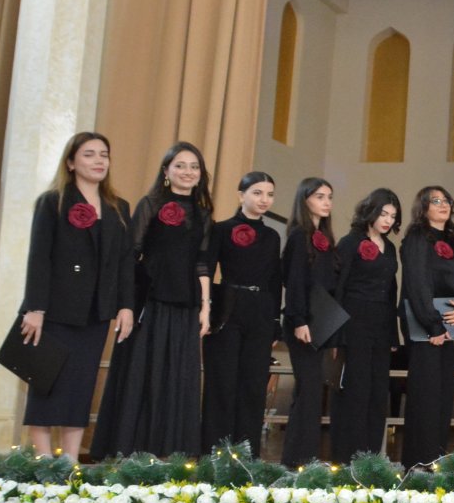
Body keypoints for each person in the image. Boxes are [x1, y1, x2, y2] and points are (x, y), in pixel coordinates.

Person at [91, 141, 213, 458]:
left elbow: (203, 263)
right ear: (166, 171)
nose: (188, 172)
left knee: (178, 377)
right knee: (142, 373)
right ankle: (130, 453)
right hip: (151, 301)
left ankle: (170, 454)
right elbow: (131, 255)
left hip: (186, 303)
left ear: (201, 174)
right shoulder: (151, 203)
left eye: (194, 167)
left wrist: (206, 307)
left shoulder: (203, 213)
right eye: (180, 165)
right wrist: (126, 305)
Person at [18, 132, 134, 456]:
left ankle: (69, 464)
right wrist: (35, 307)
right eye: (89, 154)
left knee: (80, 389)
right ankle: (43, 464)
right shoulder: (52, 201)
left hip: (95, 313)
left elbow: (124, 263)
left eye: (104, 155)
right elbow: (39, 258)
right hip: (53, 311)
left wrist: (125, 306)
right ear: (71, 162)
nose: (99, 161)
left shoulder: (118, 207)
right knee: (46, 384)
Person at [201, 171, 282, 453]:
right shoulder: (221, 229)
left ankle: (247, 455)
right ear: (241, 195)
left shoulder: (272, 236)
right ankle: (214, 452)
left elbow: (275, 281)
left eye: (270, 194)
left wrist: (275, 322)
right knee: (221, 382)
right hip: (227, 308)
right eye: (257, 193)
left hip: (260, 310)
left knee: (253, 384)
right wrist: (206, 310)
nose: (264, 199)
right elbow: (207, 271)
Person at [399, 186, 454, 466]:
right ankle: (419, 466)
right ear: (424, 207)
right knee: (425, 398)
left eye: (446, 200)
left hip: (447, 328)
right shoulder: (418, 237)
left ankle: (435, 462)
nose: (443, 205)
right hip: (426, 329)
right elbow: (417, 284)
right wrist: (433, 326)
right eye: (435, 201)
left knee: (443, 398)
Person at [331, 189, 400, 462]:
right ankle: (350, 458)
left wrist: (393, 333)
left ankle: (372, 458)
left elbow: (392, 290)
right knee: (356, 391)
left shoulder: (390, 247)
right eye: (383, 213)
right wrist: (337, 334)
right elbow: (339, 287)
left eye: (393, 216)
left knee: (377, 392)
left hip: (382, 325)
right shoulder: (350, 242)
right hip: (355, 321)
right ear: (370, 211)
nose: (387, 220)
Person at [280, 178, 338, 466]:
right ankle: (297, 460)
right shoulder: (298, 236)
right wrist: (299, 321)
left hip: (321, 323)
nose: (327, 202)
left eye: (329, 196)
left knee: (313, 392)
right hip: (301, 324)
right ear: (305, 200)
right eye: (320, 196)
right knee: (308, 391)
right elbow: (294, 283)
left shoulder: (325, 240)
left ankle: (305, 457)